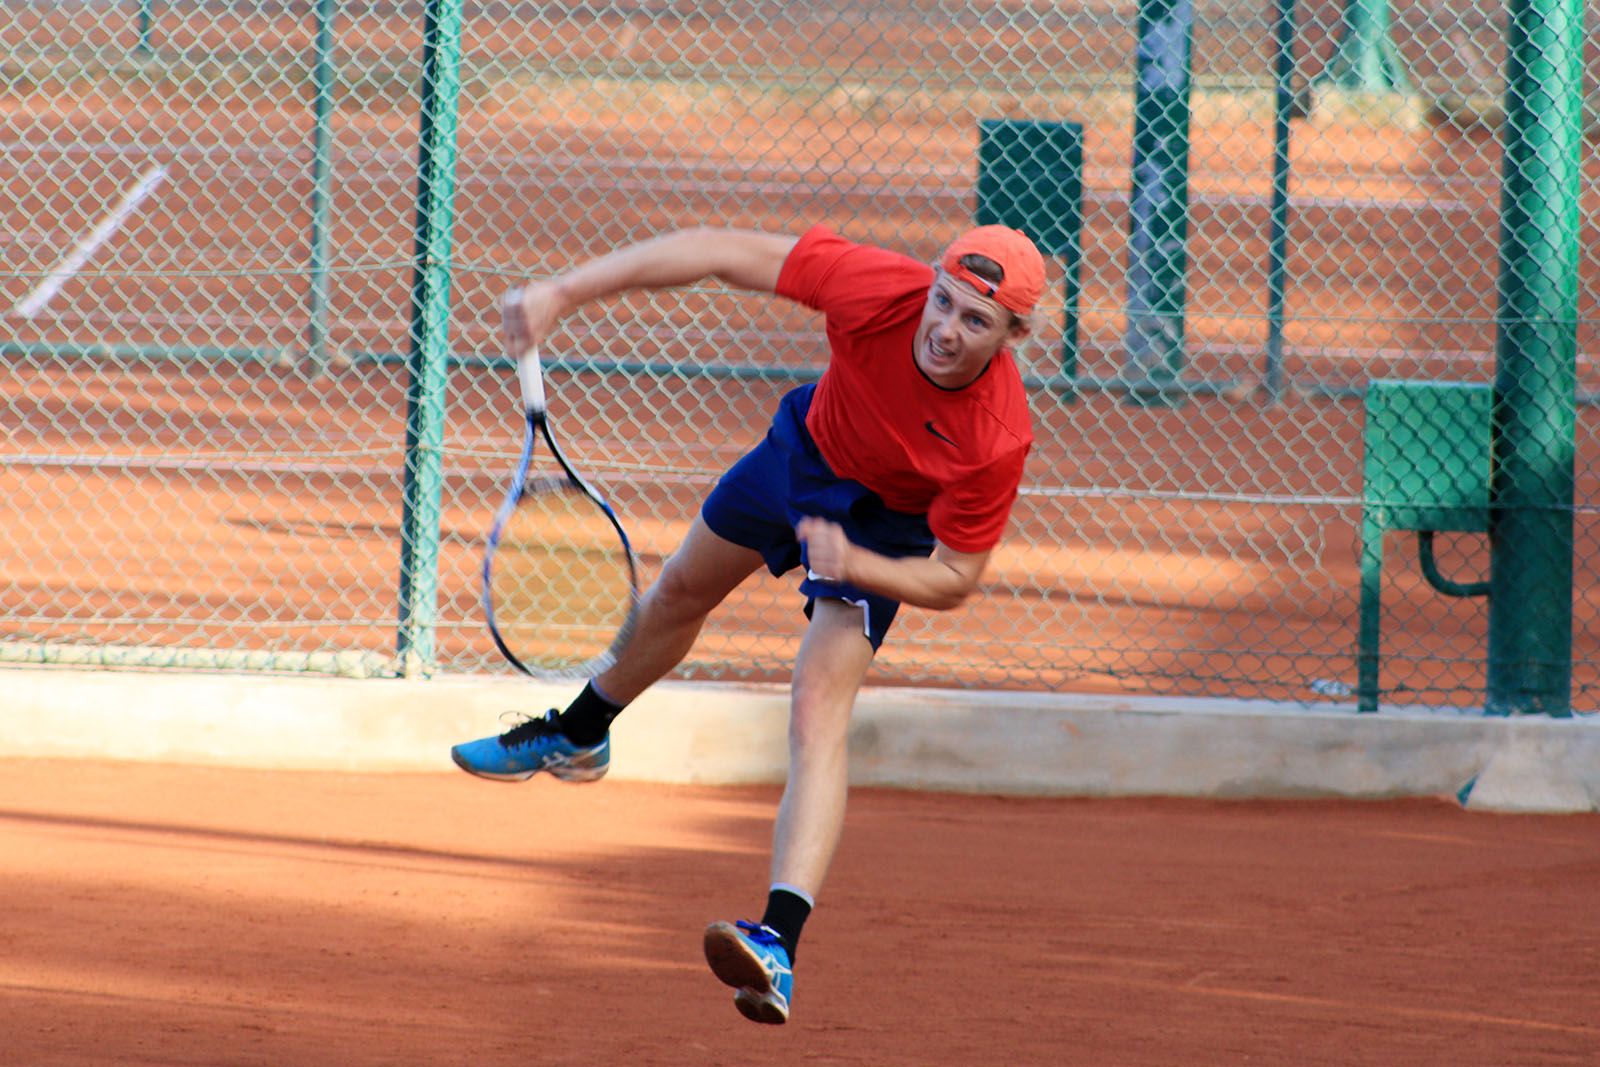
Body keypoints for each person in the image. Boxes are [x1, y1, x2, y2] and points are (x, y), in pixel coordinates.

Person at [451, 222, 1044, 1025]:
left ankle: (778, 943)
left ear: (1013, 335)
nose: (945, 328)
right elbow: (720, 250)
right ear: (930, 284)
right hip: (802, 453)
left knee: (815, 704)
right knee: (675, 595)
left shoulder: (995, 434)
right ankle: (581, 730)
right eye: (944, 301)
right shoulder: (877, 289)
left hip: (882, 525)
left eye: (977, 321)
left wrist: (857, 564)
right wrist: (565, 289)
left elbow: (956, 577)